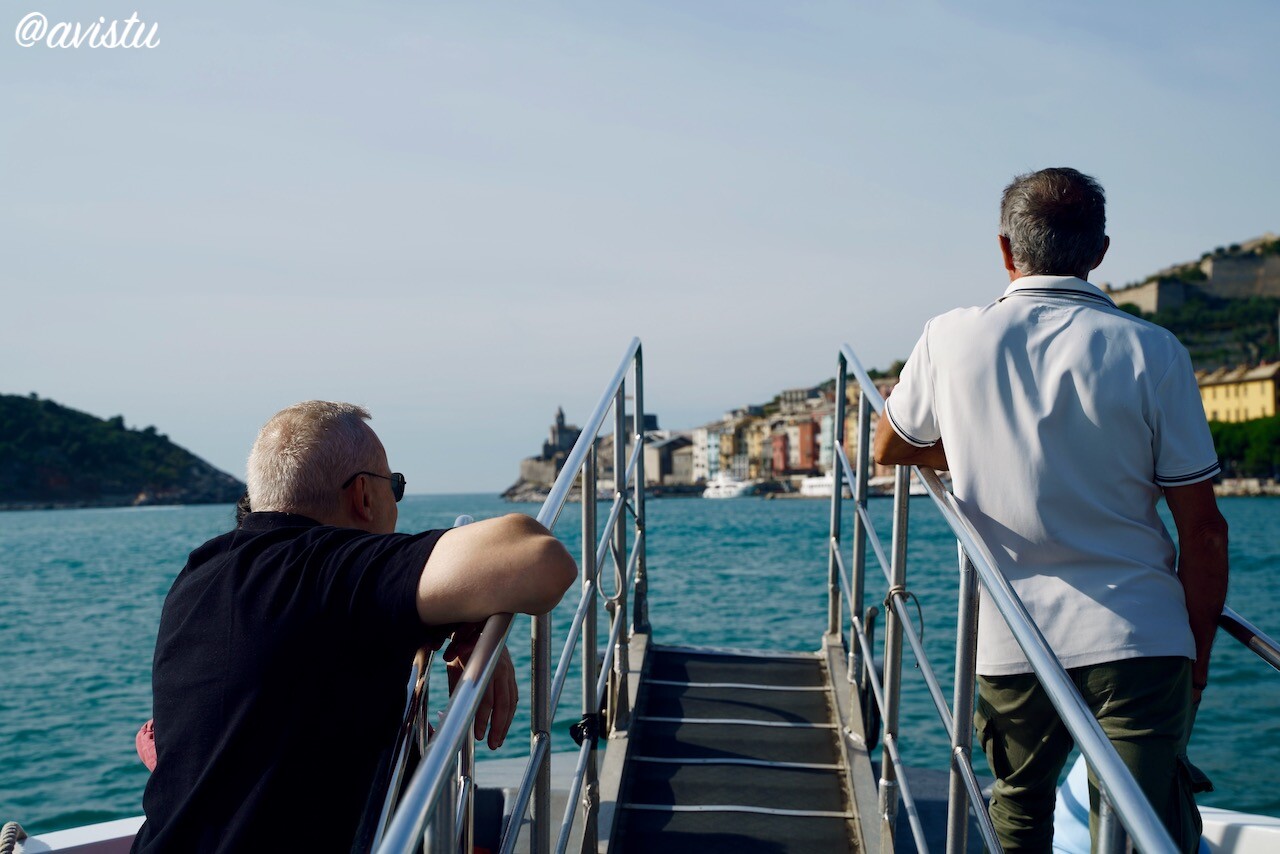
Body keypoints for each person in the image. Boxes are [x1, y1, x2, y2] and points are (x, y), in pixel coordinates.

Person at [874, 167, 1229, 852]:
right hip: (1142, 635)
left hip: (1013, 633)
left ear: (1006, 250)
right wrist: (1199, 656)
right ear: (1099, 252)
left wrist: (984, 450)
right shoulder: (1153, 350)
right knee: (1141, 826)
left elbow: (893, 444)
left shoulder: (949, 338)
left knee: (1020, 809)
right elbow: (1204, 532)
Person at [133, 401, 577, 852]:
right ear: (364, 496)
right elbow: (541, 559)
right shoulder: (336, 571)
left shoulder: (199, 575)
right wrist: (479, 607)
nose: (396, 501)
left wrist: (466, 614)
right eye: (395, 487)